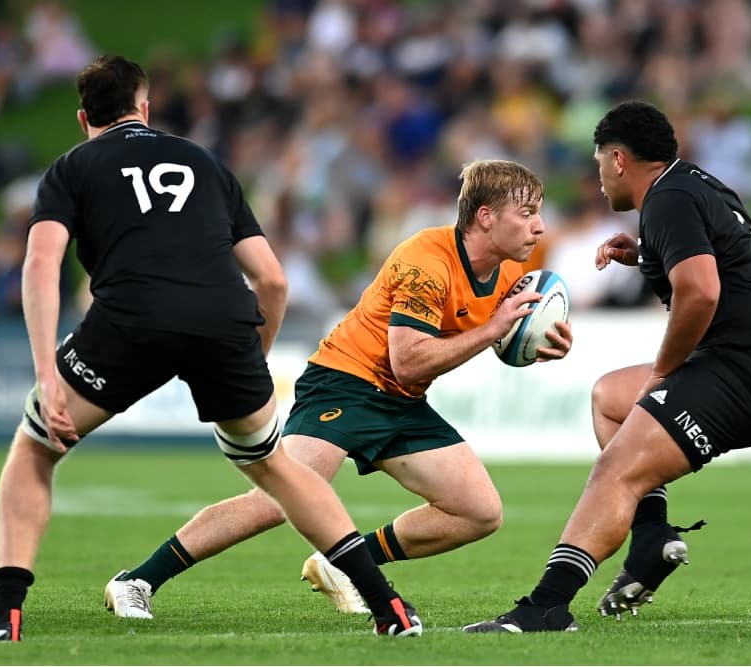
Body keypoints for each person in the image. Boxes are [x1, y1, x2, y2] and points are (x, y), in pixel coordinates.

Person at [0, 55, 421, 643]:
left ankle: (3, 615)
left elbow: (41, 263)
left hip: (130, 319)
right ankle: (389, 608)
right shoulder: (203, 161)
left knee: (36, 449)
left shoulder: (72, 168)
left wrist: (47, 372)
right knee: (273, 466)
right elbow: (271, 280)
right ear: (144, 107)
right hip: (222, 321)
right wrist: (255, 353)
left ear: (81, 116)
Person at [106, 158, 573, 619]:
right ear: (486, 217)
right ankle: (137, 580)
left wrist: (540, 342)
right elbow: (408, 361)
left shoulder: (514, 274)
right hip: (344, 383)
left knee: (478, 512)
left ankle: (344, 565)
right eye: (527, 213)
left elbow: (486, 337)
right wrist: (494, 331)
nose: (539, 226)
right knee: (274, 502)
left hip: (401, 401)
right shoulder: (425, 260)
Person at [463, 100, 751, 634]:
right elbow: (726, 259)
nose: (599, 180)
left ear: (619, 159)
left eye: (600, 164)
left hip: (745, 374)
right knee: (609, 399)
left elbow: (701, 292)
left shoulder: (667, 200)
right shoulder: (693, 185)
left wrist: (664, 373)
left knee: (614, 471)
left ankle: (546, 607)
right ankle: (650, 540)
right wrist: (648, 252)